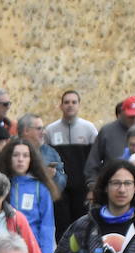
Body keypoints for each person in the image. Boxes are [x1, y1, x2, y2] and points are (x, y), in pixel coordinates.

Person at [0, 137, 59, 253]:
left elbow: (47, 227)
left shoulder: (41, 188)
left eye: (25, 156)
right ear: (9, 158)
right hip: (2, 251)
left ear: (31, 160)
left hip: (32, 252)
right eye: (16, 155)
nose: (20, 160)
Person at [47, 88, 98, 234]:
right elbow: (45, 159)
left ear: (79, 105)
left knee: (82, 227)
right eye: (66, 102)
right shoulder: (50, 130)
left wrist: (93, 187)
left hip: (82, 188)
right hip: (60, 189)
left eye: (74, 102)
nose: (70, 105)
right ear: (61, 106)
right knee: (62, 227)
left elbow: (95, 160)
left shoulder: (89, 129)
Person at [85, 95, 135, 187]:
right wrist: (92, 184)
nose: (134, 120)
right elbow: (93, 162)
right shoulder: (107, 131)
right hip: (112, 187)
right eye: (131, 116)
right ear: (122, 112)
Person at [16, 112, 67, 193]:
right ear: (26, 130)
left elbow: (62, 182)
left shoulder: (50, 152)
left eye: (44, 128)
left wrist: (54, 176)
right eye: (39, 129)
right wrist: (42, 176)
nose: (44, 132)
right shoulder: (10, 151)